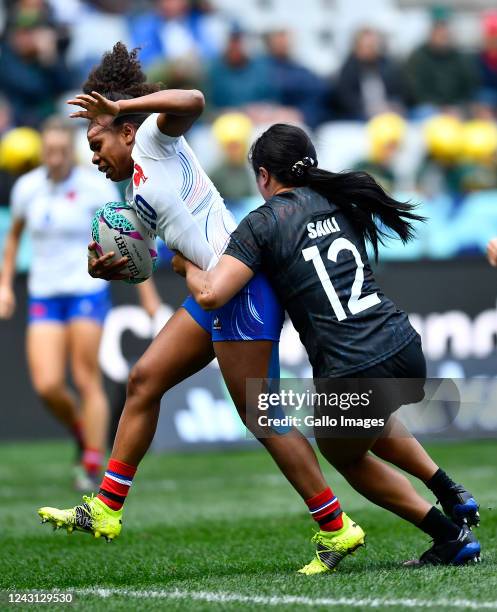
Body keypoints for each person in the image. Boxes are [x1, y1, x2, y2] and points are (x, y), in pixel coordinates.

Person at [37, 43, 366, 575]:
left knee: (263, 418)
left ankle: (337, 527)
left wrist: (122, 108)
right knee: (144, 379)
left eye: (97, 142)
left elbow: (194, 97)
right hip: (215, 291)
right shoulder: (132, 191)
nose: (94, 156)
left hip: (241, 286)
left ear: (124, 130)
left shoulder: (152, 140)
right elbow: (142, 263)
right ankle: (105, 507)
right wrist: (108, 267)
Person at [172, 123, 482, 567]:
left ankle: (450, 536)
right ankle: (451, 490)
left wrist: (183, 263)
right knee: (366, 422)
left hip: (352, 362)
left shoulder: (262, 222)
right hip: (402, 345)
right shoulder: (339, 199)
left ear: (263, 176)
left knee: (347, 456)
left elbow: (211, 294)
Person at [0, 116, 158, 490]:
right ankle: (82, 431)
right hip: (44, 292)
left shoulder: (93, 187)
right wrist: (5, 285)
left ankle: (91, 461)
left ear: (70, 152)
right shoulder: (27, 188)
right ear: (41, 152)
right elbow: (14, 237)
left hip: (85, 291)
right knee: (48, 385)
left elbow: (128, 239)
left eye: (60, 151)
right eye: (48, 151)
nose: (54, 158)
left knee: (86, 378)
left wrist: (147, 294)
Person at [334, 28, 403, 121]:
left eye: (373, 46)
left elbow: (399, 91)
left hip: (387, 112)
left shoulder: (386, 65)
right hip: (359, 115)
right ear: (357, 47)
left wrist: (393, 105)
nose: (370, 50)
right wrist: (368, 109)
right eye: (367, 46)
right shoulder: (348, 69)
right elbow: (345, 99)